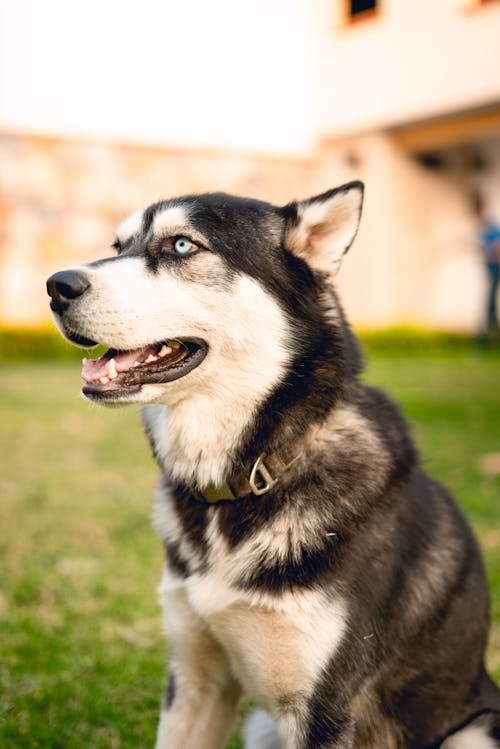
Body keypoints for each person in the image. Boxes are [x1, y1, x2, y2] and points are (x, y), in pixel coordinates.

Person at [474, 194, 500, 338]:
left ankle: (489, 334)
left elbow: (497, 248)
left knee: (490, 303)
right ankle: (492, 330)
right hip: (490, 270)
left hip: (496, 269)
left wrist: (491, 254)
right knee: (490, 304)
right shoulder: (481, 230)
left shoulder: (492, 228)